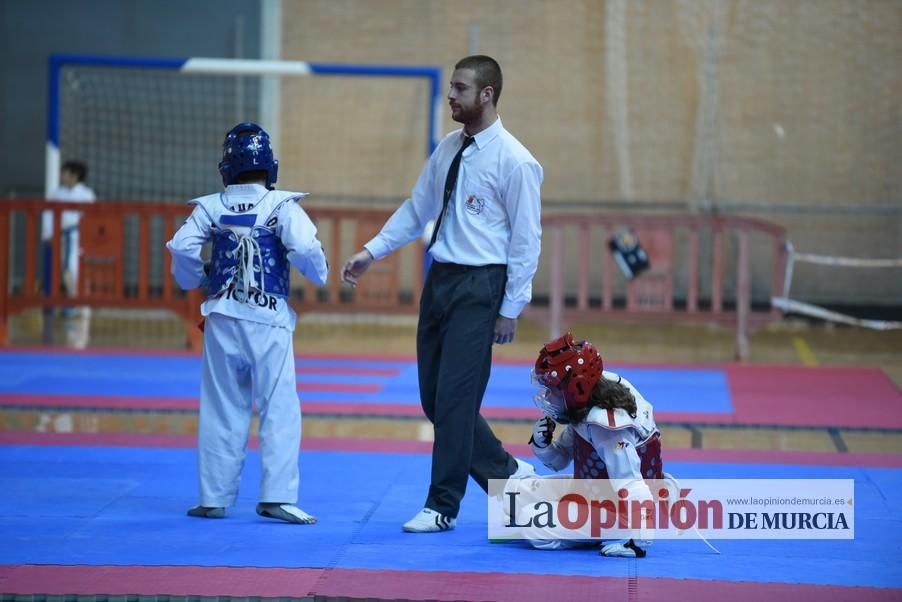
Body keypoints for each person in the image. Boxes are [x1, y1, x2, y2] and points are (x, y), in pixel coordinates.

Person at [341, 55, 543, 533]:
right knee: (435, 401)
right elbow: (418, 209)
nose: (450, 95)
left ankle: (442, 505)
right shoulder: (449, 148)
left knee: (455, 400)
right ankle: (508, 473)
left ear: (487, 94)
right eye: (452, 86)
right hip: (442, 281)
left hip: (481, 287)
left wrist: (510, 307)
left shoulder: (515, 160)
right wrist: (373, 251)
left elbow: (526, 240)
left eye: (460, 88)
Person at [166, 122, 328, 524]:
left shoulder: (211, 207)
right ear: (269, 166)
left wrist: (197, 280)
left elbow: (182, 247)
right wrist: (318, 273)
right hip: (267, 318)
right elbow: (306, 246)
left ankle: (213, 498)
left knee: (222, 405)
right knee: (279, 405)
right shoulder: (281, 206)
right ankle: (277, 496)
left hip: (221, 316)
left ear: (227, 166)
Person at [527, 331, 664, 557]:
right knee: (516, 493)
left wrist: (638, 543)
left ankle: (604, 532)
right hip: (595, 489)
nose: (547, 397)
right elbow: (561, 458)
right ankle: (587, 527)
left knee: (531, 525)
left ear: (575, 388)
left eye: (552, 390)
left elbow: (632, 484)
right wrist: (542, 445)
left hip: (617, 508)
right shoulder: (592, 396)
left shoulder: (607, 427)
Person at [41, 160, 96, 348]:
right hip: (62, 238)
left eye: (65, 172)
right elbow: (49, 214)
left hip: (79, 238)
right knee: (65, 275)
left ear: (74, 175)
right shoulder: (58, 194)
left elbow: (91, 218)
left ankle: (82, 309)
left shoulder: (86, 195)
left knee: (76, 273)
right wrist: (48, 233)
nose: (62, 176)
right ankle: (70, 308)